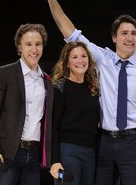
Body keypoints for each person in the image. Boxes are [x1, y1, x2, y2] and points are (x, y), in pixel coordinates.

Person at [46, 0, 136, 185]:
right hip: (103, 143)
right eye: (123, 33)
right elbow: (71, 34)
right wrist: (52, 1)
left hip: (134, 142)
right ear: (114, 38)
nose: (129, 38)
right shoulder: (102, 58)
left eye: (133, 33)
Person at [0, 23, 54, 185]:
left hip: (34, 156)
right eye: (29, 44)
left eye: (38, 44)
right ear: (19, 47)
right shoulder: (2, 74)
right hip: (7, 155)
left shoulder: (47, 81)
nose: (34, 49)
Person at [49, 41, 100, 185]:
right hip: (67, 151)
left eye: (83, 56)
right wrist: (55, 161)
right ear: (66, 63)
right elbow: (53, 127)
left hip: (90, 153)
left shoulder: (93, 89)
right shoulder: (60, 88)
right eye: (75, 57)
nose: (80, 60)